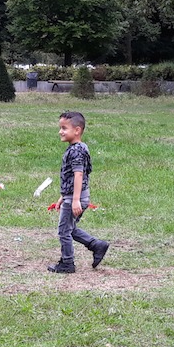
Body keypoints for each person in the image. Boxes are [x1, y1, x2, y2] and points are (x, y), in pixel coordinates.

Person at [47, 111, 109, 274]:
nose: (60, 131)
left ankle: (67, 263)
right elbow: (71, 177)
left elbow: (79, 174)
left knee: (63, 231)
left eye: (64, 128)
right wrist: (62, 197)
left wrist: (74, 200)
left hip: (76, 198)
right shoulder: (79, 148)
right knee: (70, 228)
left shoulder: (76, 151)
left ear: (77, 130)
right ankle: (96, 245)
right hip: (76, 196)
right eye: (60, 128)